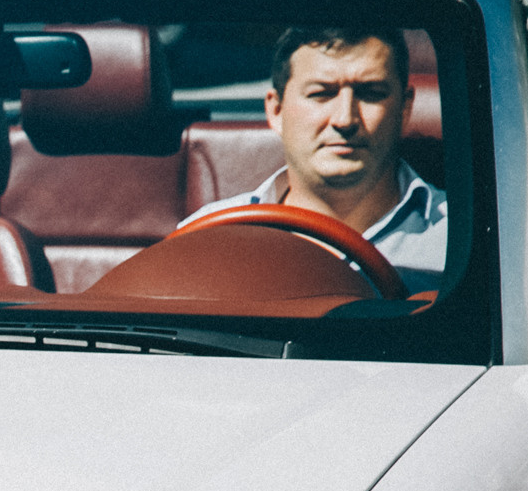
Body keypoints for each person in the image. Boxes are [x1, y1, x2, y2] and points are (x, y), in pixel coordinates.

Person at [179, 26, 447, 295]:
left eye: (371, 93)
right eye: (321, 94)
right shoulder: (206, 238)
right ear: (276, 110)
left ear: (405, 109)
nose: (345, 119)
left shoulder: (456, 237)